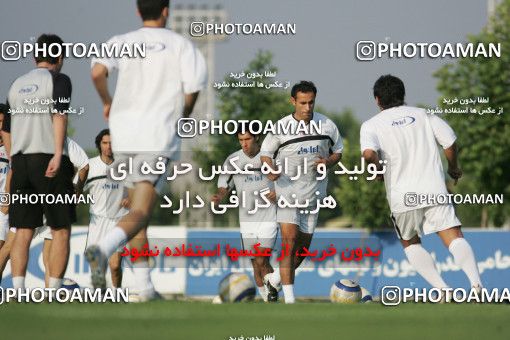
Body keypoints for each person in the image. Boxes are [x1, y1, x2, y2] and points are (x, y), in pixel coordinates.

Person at [87, 0, 206, 300]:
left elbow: (97, 72)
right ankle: (102, 249)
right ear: (166, 10)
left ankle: (144, 288)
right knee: (140, 209)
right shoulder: (180, 45)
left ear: (138, 11)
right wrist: (183, 116)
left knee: (136, 212)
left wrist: (106, 101)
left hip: (123, 135)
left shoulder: (123, 41)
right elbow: (192, 91)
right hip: (156, 136)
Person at [359, 74, 482, 296]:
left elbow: (368, 153)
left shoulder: (370, 125)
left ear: (377, 99)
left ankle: (444, 291)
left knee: (411, 243)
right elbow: (450, 142)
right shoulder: (424, 115)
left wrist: (377, 167)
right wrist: (453, 168)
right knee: (453, 236)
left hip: (401, 195)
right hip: (434, 189)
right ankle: (476, 286)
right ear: (403, 95)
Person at [1, 34, 76, 291]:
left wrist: (12, 159)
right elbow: (60, 114)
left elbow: (7, 130)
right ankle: (53, 291)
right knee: (60, 228)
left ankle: (19, 290)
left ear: (35, 57)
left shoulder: (16, 84)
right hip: (48, 159)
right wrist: (57, 153)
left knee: (23, 230)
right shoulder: (59, 79)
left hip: (20, 162)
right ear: (60, 57)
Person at [260, 81, 343, 303]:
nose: (307, 108)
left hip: (313, 194)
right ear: (293, 101)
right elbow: (265, 153)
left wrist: (328, 161)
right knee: (289, 240)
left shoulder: (327, 125)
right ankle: (290, 300)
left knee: (302, 250)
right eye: (303, 103)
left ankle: (274, 279)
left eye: (311, 102)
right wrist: (269, 168)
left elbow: (339, 152)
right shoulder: (281, 127)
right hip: (286, 192)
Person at [211, 130, 278, 302]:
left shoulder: (271, 157)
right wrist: (219, 196)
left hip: (269, 218)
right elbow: (224, 185)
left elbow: (286, 180)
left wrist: (278, 192)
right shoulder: (233, 160)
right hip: (247, 221)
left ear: (257, 138)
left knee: (262, 260)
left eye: (247, 139)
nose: (244, 143)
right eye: (241, 140)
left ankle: (273, 294)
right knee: (256, 264)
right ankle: (268, 300)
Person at [83, 129, 128, 288]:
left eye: (112, 143)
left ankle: (116, 295)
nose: (109, 146)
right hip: (97, 221)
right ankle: (99, 297)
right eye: (105, 143)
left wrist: (131, 199)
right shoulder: (90, 166)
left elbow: (139, 189)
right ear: (99, 145)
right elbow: (76, 190)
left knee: (115, 265)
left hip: (119, 220)